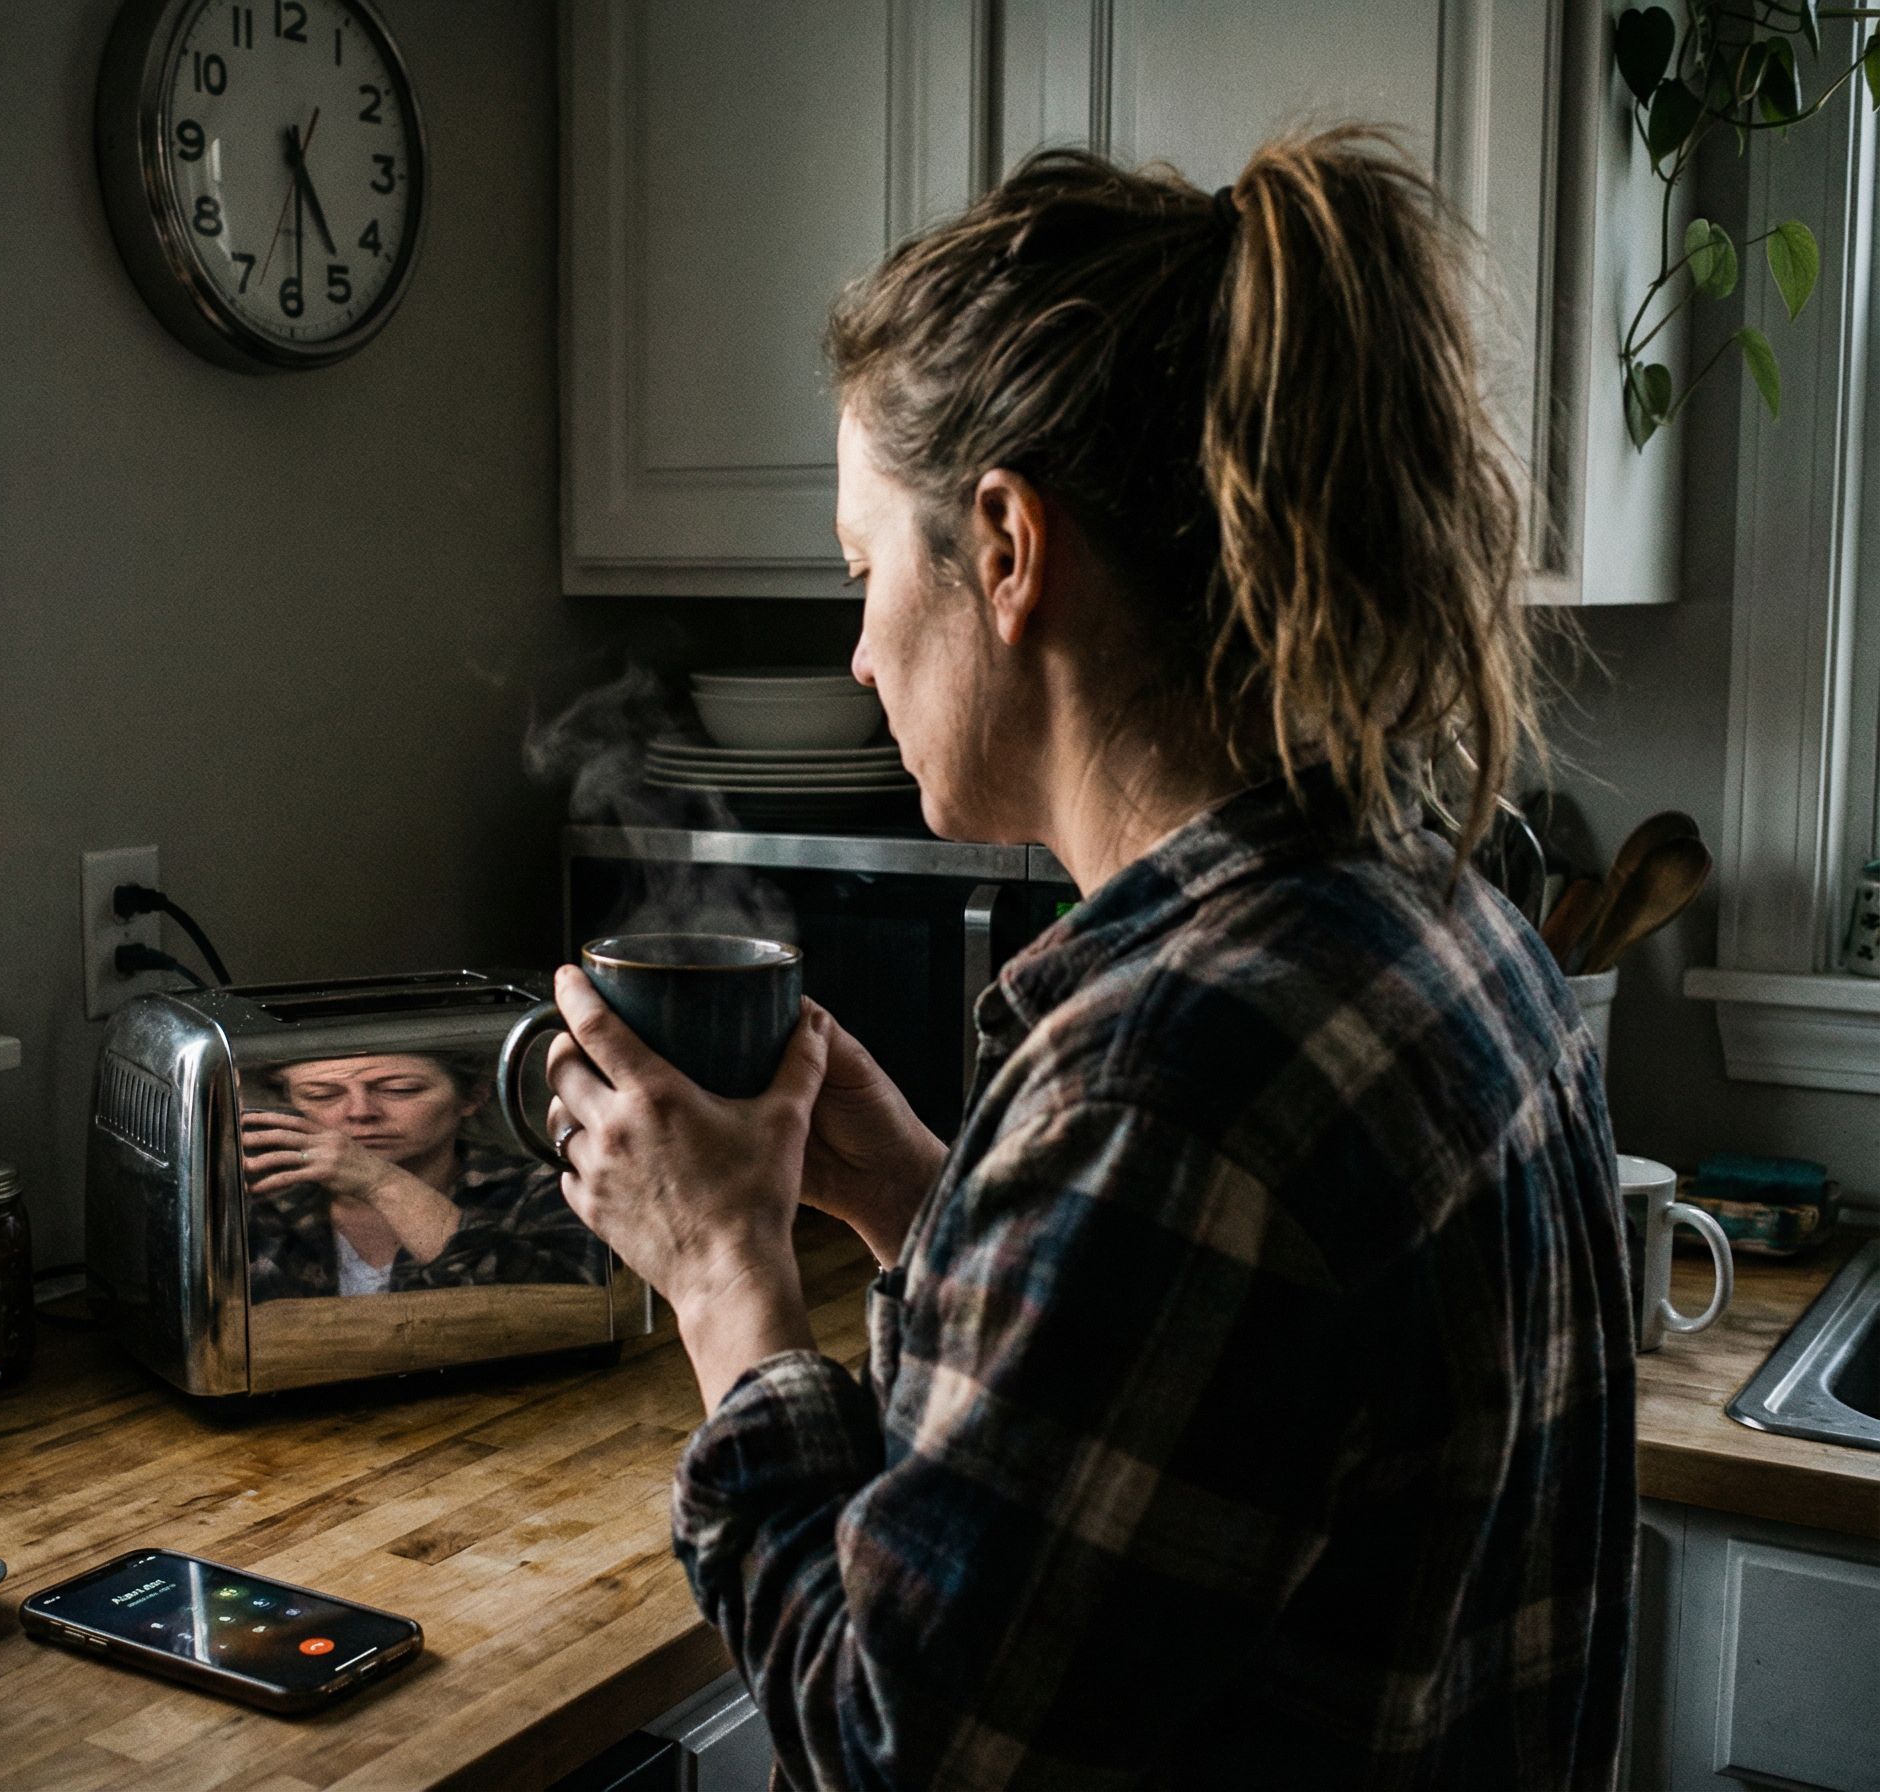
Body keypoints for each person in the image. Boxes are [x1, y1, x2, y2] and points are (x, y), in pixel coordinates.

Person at [540, 129, 1632, 1790]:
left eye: (862, 570)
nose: (852, 652)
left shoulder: (1171, 1087)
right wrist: (925, 1198)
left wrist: (724, 1281)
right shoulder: (1454, 928)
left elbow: (891, 1741)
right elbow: (1204, 1428)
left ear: (1005, 547)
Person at [242, 1051, 603, 1298]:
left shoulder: (542, 1187)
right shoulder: (258, 1198)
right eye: (321, 1095)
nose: (360, 1112)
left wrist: (380, 1182)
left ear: (473, 1096)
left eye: (401, 1090)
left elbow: (567, 1310)